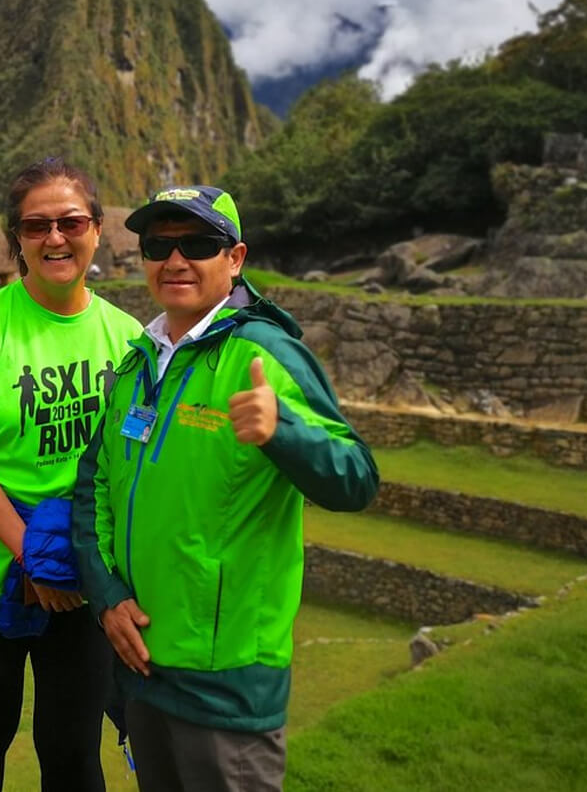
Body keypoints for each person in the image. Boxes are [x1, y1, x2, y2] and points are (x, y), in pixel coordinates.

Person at [71, 185, 380, 792]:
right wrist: (106, 598)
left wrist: (281, 431)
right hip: (141, 663)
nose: (175, 260)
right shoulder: (140, 361)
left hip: (226, 681)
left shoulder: (264, 351)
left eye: (199, 244)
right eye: (158, 244)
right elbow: (95, 486)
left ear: (234, 258)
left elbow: (357, 478)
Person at [0, 158, 144, 792]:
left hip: (84, 576)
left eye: (71, 222)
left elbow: (129, 465)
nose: (55, 238)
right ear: (15, 238)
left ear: (97, 230)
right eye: (36, 225)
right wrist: (33, 558)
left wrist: (69, 566)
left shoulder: (125, 338)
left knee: (72, 747)